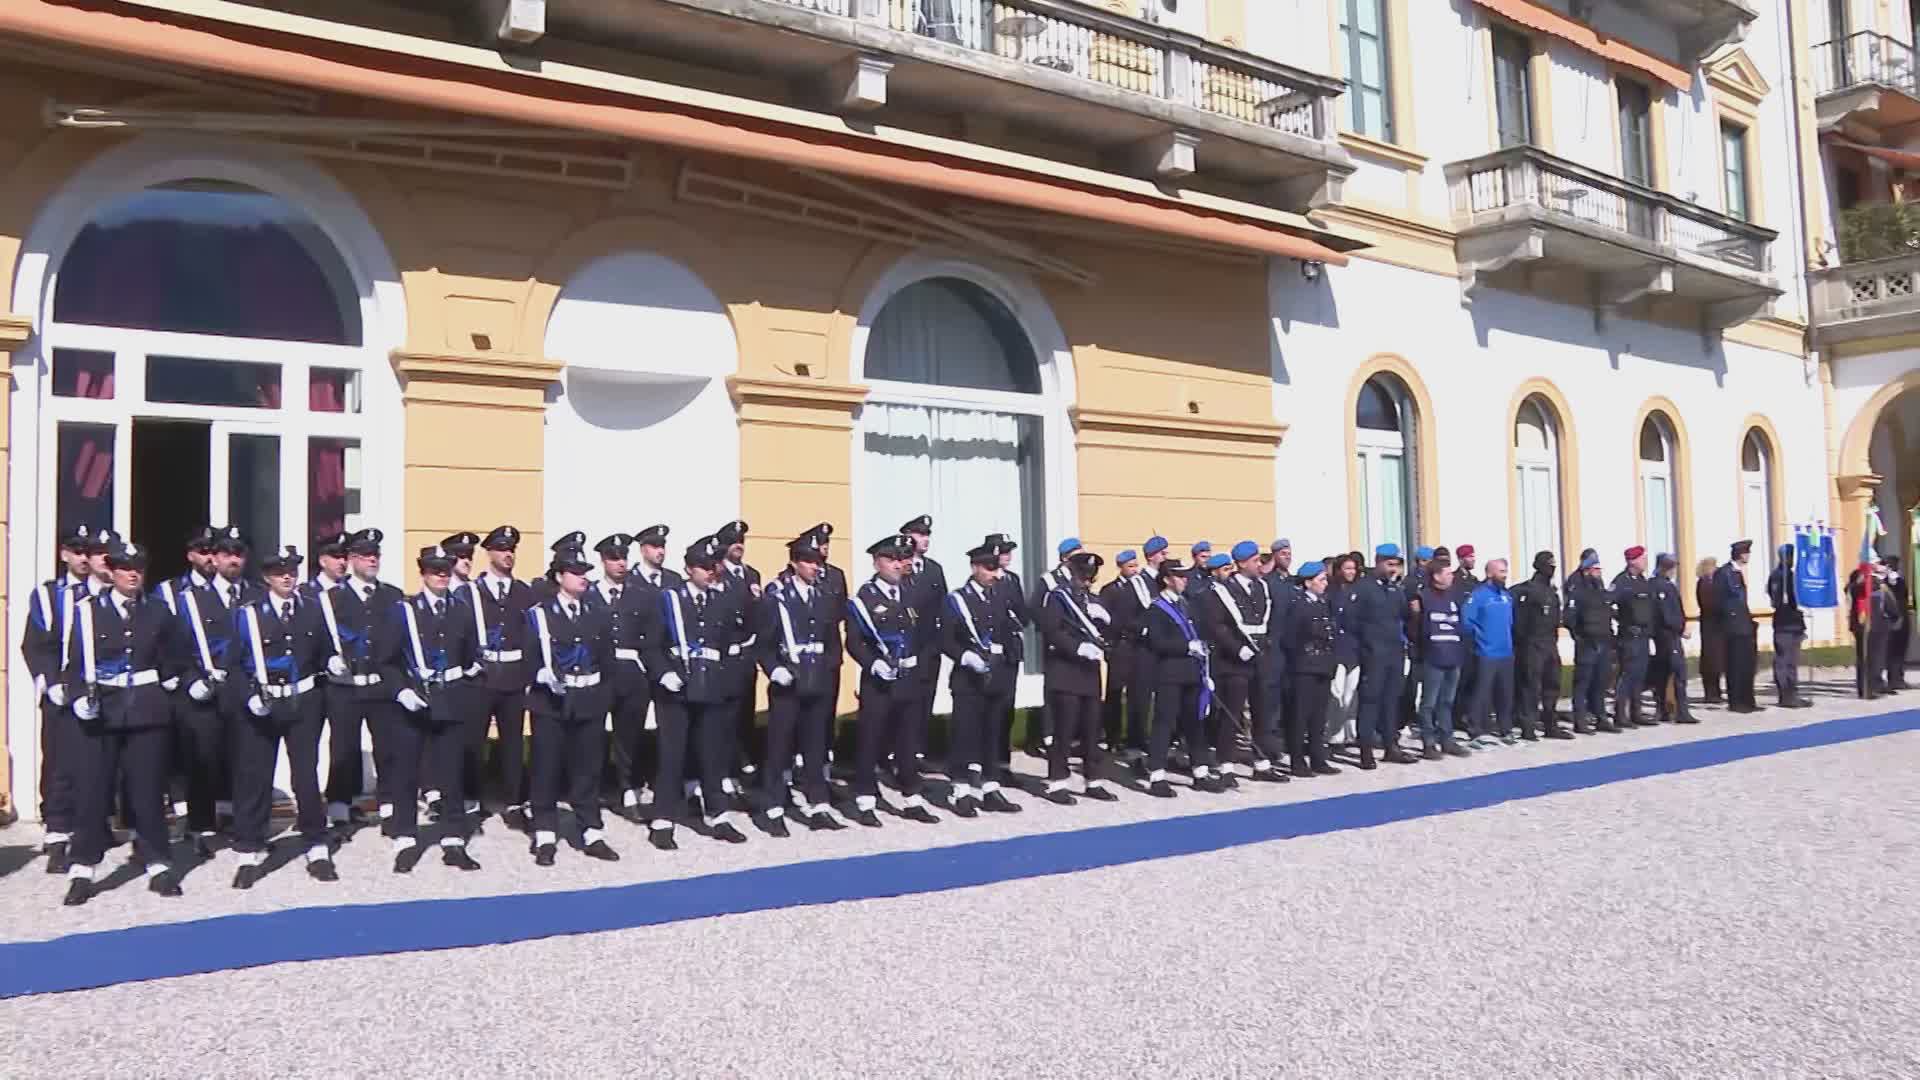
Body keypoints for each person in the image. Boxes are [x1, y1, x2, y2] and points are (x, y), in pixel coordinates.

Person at [61, 542, 189, 906]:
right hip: (103, 708)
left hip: (147, 709)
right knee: (94, 790)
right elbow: (73, 664)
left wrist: (171, 679)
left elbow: (177, 655)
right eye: (125, 568)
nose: (133, 574)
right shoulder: (87, 611)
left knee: (148, 790)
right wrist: (77, 697)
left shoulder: (158, 612)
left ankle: (157, 862)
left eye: (138, 568)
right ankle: (83, 867)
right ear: (111, 572)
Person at [225, 545, 337, 888]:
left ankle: (316, 844)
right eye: (279, 572)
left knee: (306, 775)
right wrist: (249, 697)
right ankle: (249, 849)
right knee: (255, 775)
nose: (287, 577)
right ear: (266, 577)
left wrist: (332, 661)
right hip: (264, 702)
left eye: (291, 571)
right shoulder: (247, 614)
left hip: (303, 701)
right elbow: (233, 665)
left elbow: (325, 650)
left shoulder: (312, 609)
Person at [379, 545, 483, 873]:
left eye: (445, 569)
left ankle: (453, 839)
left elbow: (470, 656)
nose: (441, 575)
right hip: (414, 699)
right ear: (422, 572)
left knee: (451, 770)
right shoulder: (404, 611)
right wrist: (401, 692)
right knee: (406, 771)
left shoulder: (462, 609)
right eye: (434, 569)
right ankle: (405, 838)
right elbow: (386, 660)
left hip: (450, 698)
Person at [646, 535, 754, 847]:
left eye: (714, 566)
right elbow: (651, 645)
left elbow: (726, 646)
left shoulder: (720, 601)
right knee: (672, 755)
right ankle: (663, 820)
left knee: (712, 754)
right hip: (676, 689)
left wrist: (724, 681)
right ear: (689, 569)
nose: (711, 571)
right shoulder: (669, 600)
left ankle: (718, 816)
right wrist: (664, 673)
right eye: (704, 566)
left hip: (710, 687)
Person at [524, 543, 621, 863]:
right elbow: (527, 658)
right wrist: (540, 675)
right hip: (551, 703)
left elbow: (607, 661)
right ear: (559, 576)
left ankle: (591, 829)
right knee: (546, 767)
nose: (583, 578)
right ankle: (545, 832)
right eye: (576, 572)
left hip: (589, 700)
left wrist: (603, 697)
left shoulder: (597, 613)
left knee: (588, 768)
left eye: (585, 572)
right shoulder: (539, 615)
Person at [845, 534, 942, 827]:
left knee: (908, 739)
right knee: (871, 739)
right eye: (892, 560)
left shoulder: (910, 593)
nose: (899, 565)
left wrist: (920, 665)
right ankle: (865, 799)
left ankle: (912, 797)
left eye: (902, 559)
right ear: (877, 562)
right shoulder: (865, 598)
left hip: (908, 678)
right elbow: (854, 641)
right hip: (879, 682)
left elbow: (923, 634)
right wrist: (872, 663)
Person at [753, 530, 845, 834]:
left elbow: (831, 640)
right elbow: (763, 644)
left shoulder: (823, 597)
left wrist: (828, 667)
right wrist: (774, 669)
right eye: (808, 561)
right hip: (788, 682)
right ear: (794, 563)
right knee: (779, 747)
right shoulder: (777, 598)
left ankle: (819, 806)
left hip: (817, 679)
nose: (815, 567)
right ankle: (773, 808)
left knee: (815, 746)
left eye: (818, 561)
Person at [22, 523, 100, 874]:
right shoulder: (48, 595)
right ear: (64, 554)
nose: (83, 558)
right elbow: (36, 643)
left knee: (96, 762)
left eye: (88, 552)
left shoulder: (104, 593)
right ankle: (57, 832)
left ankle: (93, 826)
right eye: (77, 551)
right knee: (57, 763)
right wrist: (49, 682)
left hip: (96, 690)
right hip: (61, 691)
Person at [320, 529, 406, 826]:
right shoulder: (331, 598)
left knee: (388, 747)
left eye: (375, 555)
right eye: (366, 555)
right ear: (352, 559)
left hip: (380, 684)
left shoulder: (392, 596)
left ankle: (390, 805)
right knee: (343, 748)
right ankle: (340, 807)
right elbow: (318, 640)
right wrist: (328, 660)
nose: (372, 560)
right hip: (345, 687)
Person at [460, 525, 536, 827]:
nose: (508, 555)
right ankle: (470, 800)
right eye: (502, 549)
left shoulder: (524, 592)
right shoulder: (470, 592)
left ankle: (514, 801)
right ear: (489, 552)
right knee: (473, 739)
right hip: (482, 674)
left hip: (514, 675)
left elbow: (533, 636)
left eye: (511, 550)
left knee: (513, 742)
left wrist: (530, 675)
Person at [943, 541, 1025, 816]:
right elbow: (945, 639)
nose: (996, 574)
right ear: (975, 567)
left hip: (996, 676)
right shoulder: (957, 599)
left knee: (992, 733)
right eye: (990, 569)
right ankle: (960, 790)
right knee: (965, 735)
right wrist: (965, 656)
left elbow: (1007, 631)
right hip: (968, 680)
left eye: (997, 568)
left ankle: (990, 787)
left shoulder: (998, 597)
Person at [1199, 541, 1288, 783]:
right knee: (1232, 714)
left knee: (1262, 713)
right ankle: (1226, 766)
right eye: (1255, 561)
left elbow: (1268, 621)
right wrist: (1238, 649)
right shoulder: (1224, 590)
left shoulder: (1261, 587)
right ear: (1241, 563)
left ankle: (1262, 764)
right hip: (1234, 662)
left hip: (1260, 658)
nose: (1260, 565)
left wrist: (1266, 645)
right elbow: (1218, 626)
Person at [1038, 550, 1120, 803]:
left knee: (1092, 730)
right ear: (1072, 572)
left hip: (1089, 674)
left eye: (1090, 577)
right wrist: (1077, 648)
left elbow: (1107, 635)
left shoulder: (1094, 600)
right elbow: (1052, 631)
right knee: (1064, 730)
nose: (1086, 581)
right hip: (1065, 672)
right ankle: (1057, 782)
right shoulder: (1057, 598)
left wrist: (1107, 622)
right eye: (1083, 575)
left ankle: (1093, 780)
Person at [588, 532, 654, 823]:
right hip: (598, 673)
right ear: (603, 561)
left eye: (624, 558)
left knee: (629, 736)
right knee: (592, 735)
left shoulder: (642, 595)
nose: (620, 563)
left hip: (631, 673)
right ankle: (592, 790)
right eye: (614, 558)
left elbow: (652, 637)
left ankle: (629, 791)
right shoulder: (589, 594)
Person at [1142, 558, 1214, 796]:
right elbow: (1157, 642)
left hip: (1192, 672)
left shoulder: (1187, 604)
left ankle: (1200, 772)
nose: (1185, 580)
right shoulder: (1157, 608)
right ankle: (1157, 775)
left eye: (1186, 576)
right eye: (1180, 576)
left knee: (1195, 723)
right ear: (1166, 580)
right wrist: (1186, 646)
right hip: (1169, 674)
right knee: (1164, 724)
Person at [1352, 544, 1418, 769]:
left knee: (1391, 701)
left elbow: (1403, 616)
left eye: (1396, 565)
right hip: (1373, 654)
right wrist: (1365, 648)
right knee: (1370, 701)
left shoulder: (1394, 589)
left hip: (1394, 653)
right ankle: (1366, 750)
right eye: (1389, 564)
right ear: (1378, 562)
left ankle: (1391, 746)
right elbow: (1351, 622)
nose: (1393, 569)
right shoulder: (1364, 588)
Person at [1282, 561, 1341, 777]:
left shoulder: (1323, 603)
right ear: (1308, 583)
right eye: (1321, 580)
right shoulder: (1298, 605)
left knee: (1319, 715)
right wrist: (1302, 658)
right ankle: (1298, 761)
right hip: (1304, 667)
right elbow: (1290, 638)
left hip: (1323, 665)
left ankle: (1318, 758)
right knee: (1300, 715)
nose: (1325, 583)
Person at [1099, 548, 1153, 760]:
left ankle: (1137, 736)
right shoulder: (1111, 590)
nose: (1134, 570)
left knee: (1138, 694)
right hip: (1120, 646)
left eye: (1136, 565)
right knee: (1115, 693)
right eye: (1130, 566)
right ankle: (1112, 737)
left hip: (1138, 646)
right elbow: (1106, 619)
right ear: (1120, 567)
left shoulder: (1141, 587)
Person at [1510, 552, 1569, 740]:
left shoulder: (1551, 592)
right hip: (1532, 644)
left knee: (1552, 685)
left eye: (1553, 565)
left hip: (1550, 643)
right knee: (1531, 687)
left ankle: (1550, 725)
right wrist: (1524, 643)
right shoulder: (1527, 590)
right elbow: (1519, 622)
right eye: (1548, 565)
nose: (1552, 569)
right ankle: (1528, 726)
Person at [1414, 563, 1470, 758]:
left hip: (1453, 655)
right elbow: (1416, 629)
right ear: (1436, 577)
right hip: (1433, 656)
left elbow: (1460, 625)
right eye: (1447, 573)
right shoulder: (1423, 597)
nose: (1451, 576)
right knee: (1429, 703)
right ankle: (1428, 742)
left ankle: (1447, 739)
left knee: (1447, 701)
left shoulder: (1454, 597)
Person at [1462, 557, 1516, 745]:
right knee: (1482, 693)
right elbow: (1467, 621)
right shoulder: (1479, 595)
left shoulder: (1506, 596)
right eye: (1501, 571)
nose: (1505, 575)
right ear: (1489, 573)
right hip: (1486, 652)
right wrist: (1480, 638)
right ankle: (1475, 729)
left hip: (1506, 652)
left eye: (1505, 571)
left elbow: (1510, 622)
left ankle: (1505, 728)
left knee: (1505, 693)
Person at [1611, 546, 1660, 730]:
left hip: (1644, 636)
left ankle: (1636, 712)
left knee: (1640, 675)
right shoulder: (1621, 581)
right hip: (1629, 636)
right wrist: (1623, 620)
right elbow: (1607, 603)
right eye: (1642, 559)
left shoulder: (1643, 581)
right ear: (1632, 561)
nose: (1645, 562)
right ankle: (1620, 714)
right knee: (1627, 675)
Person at [1712, 540, 1764, 714]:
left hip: (1744, 625)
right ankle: (1737, 701)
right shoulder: (1724, 573)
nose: (1748, 556)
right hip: (1733, 627)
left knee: (1747, 665)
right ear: (1741, 554)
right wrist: (1730, 619)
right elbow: (1720, 601)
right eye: (1747, 553)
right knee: (1735, 665)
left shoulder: (1737, 572)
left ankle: (1748, 700)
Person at [1564, 553, 1612, 733]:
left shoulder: (1600, 590)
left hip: (1603, 641)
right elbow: (1569, 618)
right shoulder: (1577, 590)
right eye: (1595, 569)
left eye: (1599, 569)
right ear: (1587, 570)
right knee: (1582, 683)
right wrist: (1579, 636)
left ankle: (1601, 717)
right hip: (1587, 643)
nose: (1599, 572)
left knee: (1600, 681)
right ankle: (1580, 719)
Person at [1649, 553, 1697, 724]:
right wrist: (1681, 629)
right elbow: (1667, 614)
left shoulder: (1655, 584)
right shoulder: (1663, 586)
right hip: (1669, 636)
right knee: (1678, 673)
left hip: (1662, 637)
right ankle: (1680, 711)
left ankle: (1663, 709)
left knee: (1662, 674)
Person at [1767, 542, 1812, 708]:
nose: (1792, 560)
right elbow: (1786, 599)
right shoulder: (1783, 576)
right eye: (1790, 556)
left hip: (1790, 623)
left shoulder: (1780, 575)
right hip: (1786, 623)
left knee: (1791, 660)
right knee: (1785, 660)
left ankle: (1792, 693)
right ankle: (1786, 695)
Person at [1326, 554, 1363, 747]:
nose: (1351, 572)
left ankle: (1351, 732)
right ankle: (1335, 733)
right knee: (1336, 692)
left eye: (1353, 568)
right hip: (1337, 649)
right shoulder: (1331, 591)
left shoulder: (1358, 591)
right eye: (1347, 568)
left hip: (1355, 648)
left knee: (1351, 694)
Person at [1695, 557, 1725, 703]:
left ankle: (1716, 691)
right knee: (1710, 660)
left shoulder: (1712, 582)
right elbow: (1708, 603)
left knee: (1717, 660)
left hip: (1716, 626)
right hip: (1710, 625)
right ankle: (1711, 693)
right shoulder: (1704, 583)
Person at [1884, 555, 1910, 691]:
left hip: (1900, 617)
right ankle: (1894, 679)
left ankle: (1898, 678)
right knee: (1894, 650)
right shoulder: (1890, 580)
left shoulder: (1895, 579)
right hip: (1895, 618)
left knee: (1898, 650)